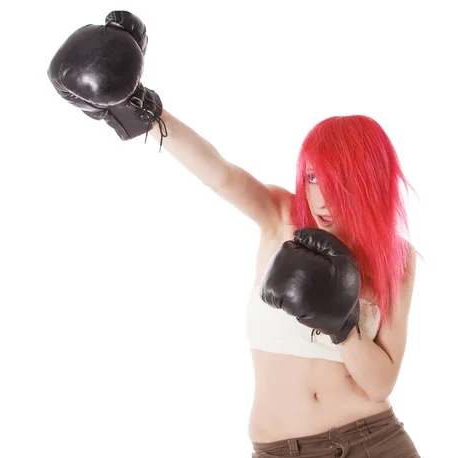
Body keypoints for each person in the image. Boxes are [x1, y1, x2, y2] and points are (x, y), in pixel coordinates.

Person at [48, 11, 421, 458]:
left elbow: (381, 383)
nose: (320, 197)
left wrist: (344, 329)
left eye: (337, 181)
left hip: (374, 442)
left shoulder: (395, 256)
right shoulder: (282, 215)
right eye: (313, 178)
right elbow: (219, 174)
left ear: (366, 181)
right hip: (280, 448)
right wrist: (144, 106)